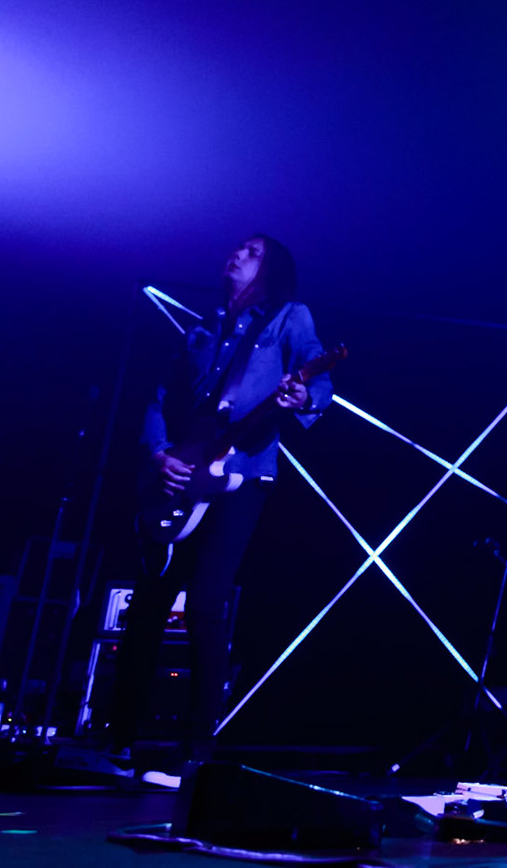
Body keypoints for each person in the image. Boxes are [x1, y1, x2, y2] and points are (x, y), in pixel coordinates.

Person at [97, 235, 332, 787]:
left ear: (271, 267)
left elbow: (318, 378)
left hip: (243, 475)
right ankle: (120, 742)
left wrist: (306, 398)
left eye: (251, 251)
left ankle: (196, 751)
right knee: (150, 604)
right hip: (180, 474)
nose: (236, 254)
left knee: (206, 602)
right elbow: (159, 398)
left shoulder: (288, 318)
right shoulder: (200, 328)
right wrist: (158, 455)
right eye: (236, 248)